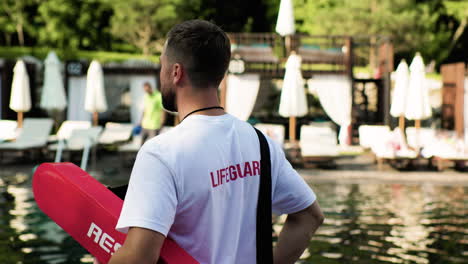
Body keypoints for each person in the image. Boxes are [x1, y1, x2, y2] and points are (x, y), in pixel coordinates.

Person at [105, 20, 324, 264]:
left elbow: (139, 257)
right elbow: (310, 216)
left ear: (176, 72)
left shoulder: (161, 153)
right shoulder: (261, 143)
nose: (161, 75)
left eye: (162, 66)